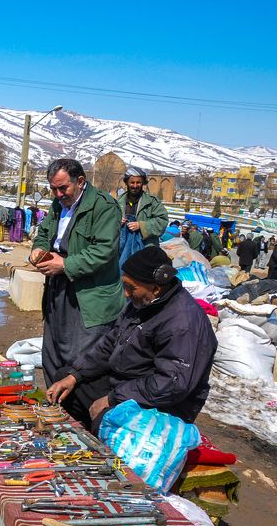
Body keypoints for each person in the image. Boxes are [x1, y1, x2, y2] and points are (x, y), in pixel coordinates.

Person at [46, 246, 217, 428]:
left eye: (131, 288)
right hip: (128, 385)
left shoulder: (182, 323)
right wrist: (75, 375)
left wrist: (112, 399)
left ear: (157, 288)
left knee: (107, 417)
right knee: (65, 382)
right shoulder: (142, 303)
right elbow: (110, 344)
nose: (126, 293)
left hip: (164, 405)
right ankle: (93, 428)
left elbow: (171, 385)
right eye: (124, 285)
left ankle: (102, 437)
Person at [29, 158, 125, 427]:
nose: (58, 195)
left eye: (63, 188)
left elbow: (104, 251)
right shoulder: (58, 205)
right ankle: (58, 415)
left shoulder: (105, 208)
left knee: (80, 360)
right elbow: (45, 233)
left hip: (89, 294)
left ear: (80, 182)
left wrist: (66, 264)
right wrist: (38, 249)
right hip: (59, 287)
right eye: (53, 190)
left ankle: (82, 423)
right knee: (53, 352)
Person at [119, 167, 168, 259]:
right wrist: (117, 222)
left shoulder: (152, 202)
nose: (135, 185)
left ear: (142, 183)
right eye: (132, 182)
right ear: (127, 183)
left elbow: (163, 221)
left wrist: (141, 226)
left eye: (138, 182)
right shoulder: (118, 202)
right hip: (121, 249)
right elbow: (107, 223)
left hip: (146, 249)